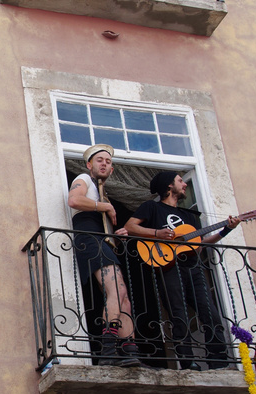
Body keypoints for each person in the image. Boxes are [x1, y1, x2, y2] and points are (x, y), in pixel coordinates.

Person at [124, 171, 240, 370]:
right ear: (169, 186)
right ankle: (187, 361)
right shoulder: (152, 207)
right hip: (168, 266)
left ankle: (218, 358)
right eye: (180, 181)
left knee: (209, 311)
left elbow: (200, 243)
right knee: (178, 313)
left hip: (192, 267)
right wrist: (157, 233)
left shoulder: (188, 216)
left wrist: (226, 229)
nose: (185, 184)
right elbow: (131, 226)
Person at [67, 143, 140, 365]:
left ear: (112, 170)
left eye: (108, 162)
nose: (104, 164)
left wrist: (119, 235)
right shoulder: (84, 179)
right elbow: (74, 200)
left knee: (123, 298)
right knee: (117, 292)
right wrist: (105, 207)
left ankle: (130, 353)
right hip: (89, 238)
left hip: (101, 241)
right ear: (90, 164)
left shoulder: (103, 195)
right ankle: (108, 352)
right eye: (99, 160)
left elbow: (107, 231)